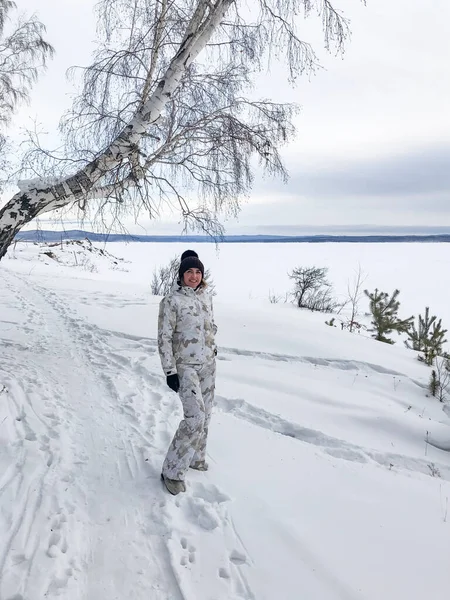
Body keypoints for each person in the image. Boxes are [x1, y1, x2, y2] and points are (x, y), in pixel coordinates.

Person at [158, 251, 218, 495]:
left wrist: (213, 343)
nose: (194, 276)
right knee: (195, 417)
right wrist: (170, 371)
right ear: (181, 275)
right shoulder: (171, 301)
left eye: (197, 272)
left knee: (207, 414)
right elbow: (163, 337)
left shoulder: (206, 297)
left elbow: (210, 325)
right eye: (189, 272)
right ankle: (172, 471)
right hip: (185, 367)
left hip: (208, 364)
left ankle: (195, 458)